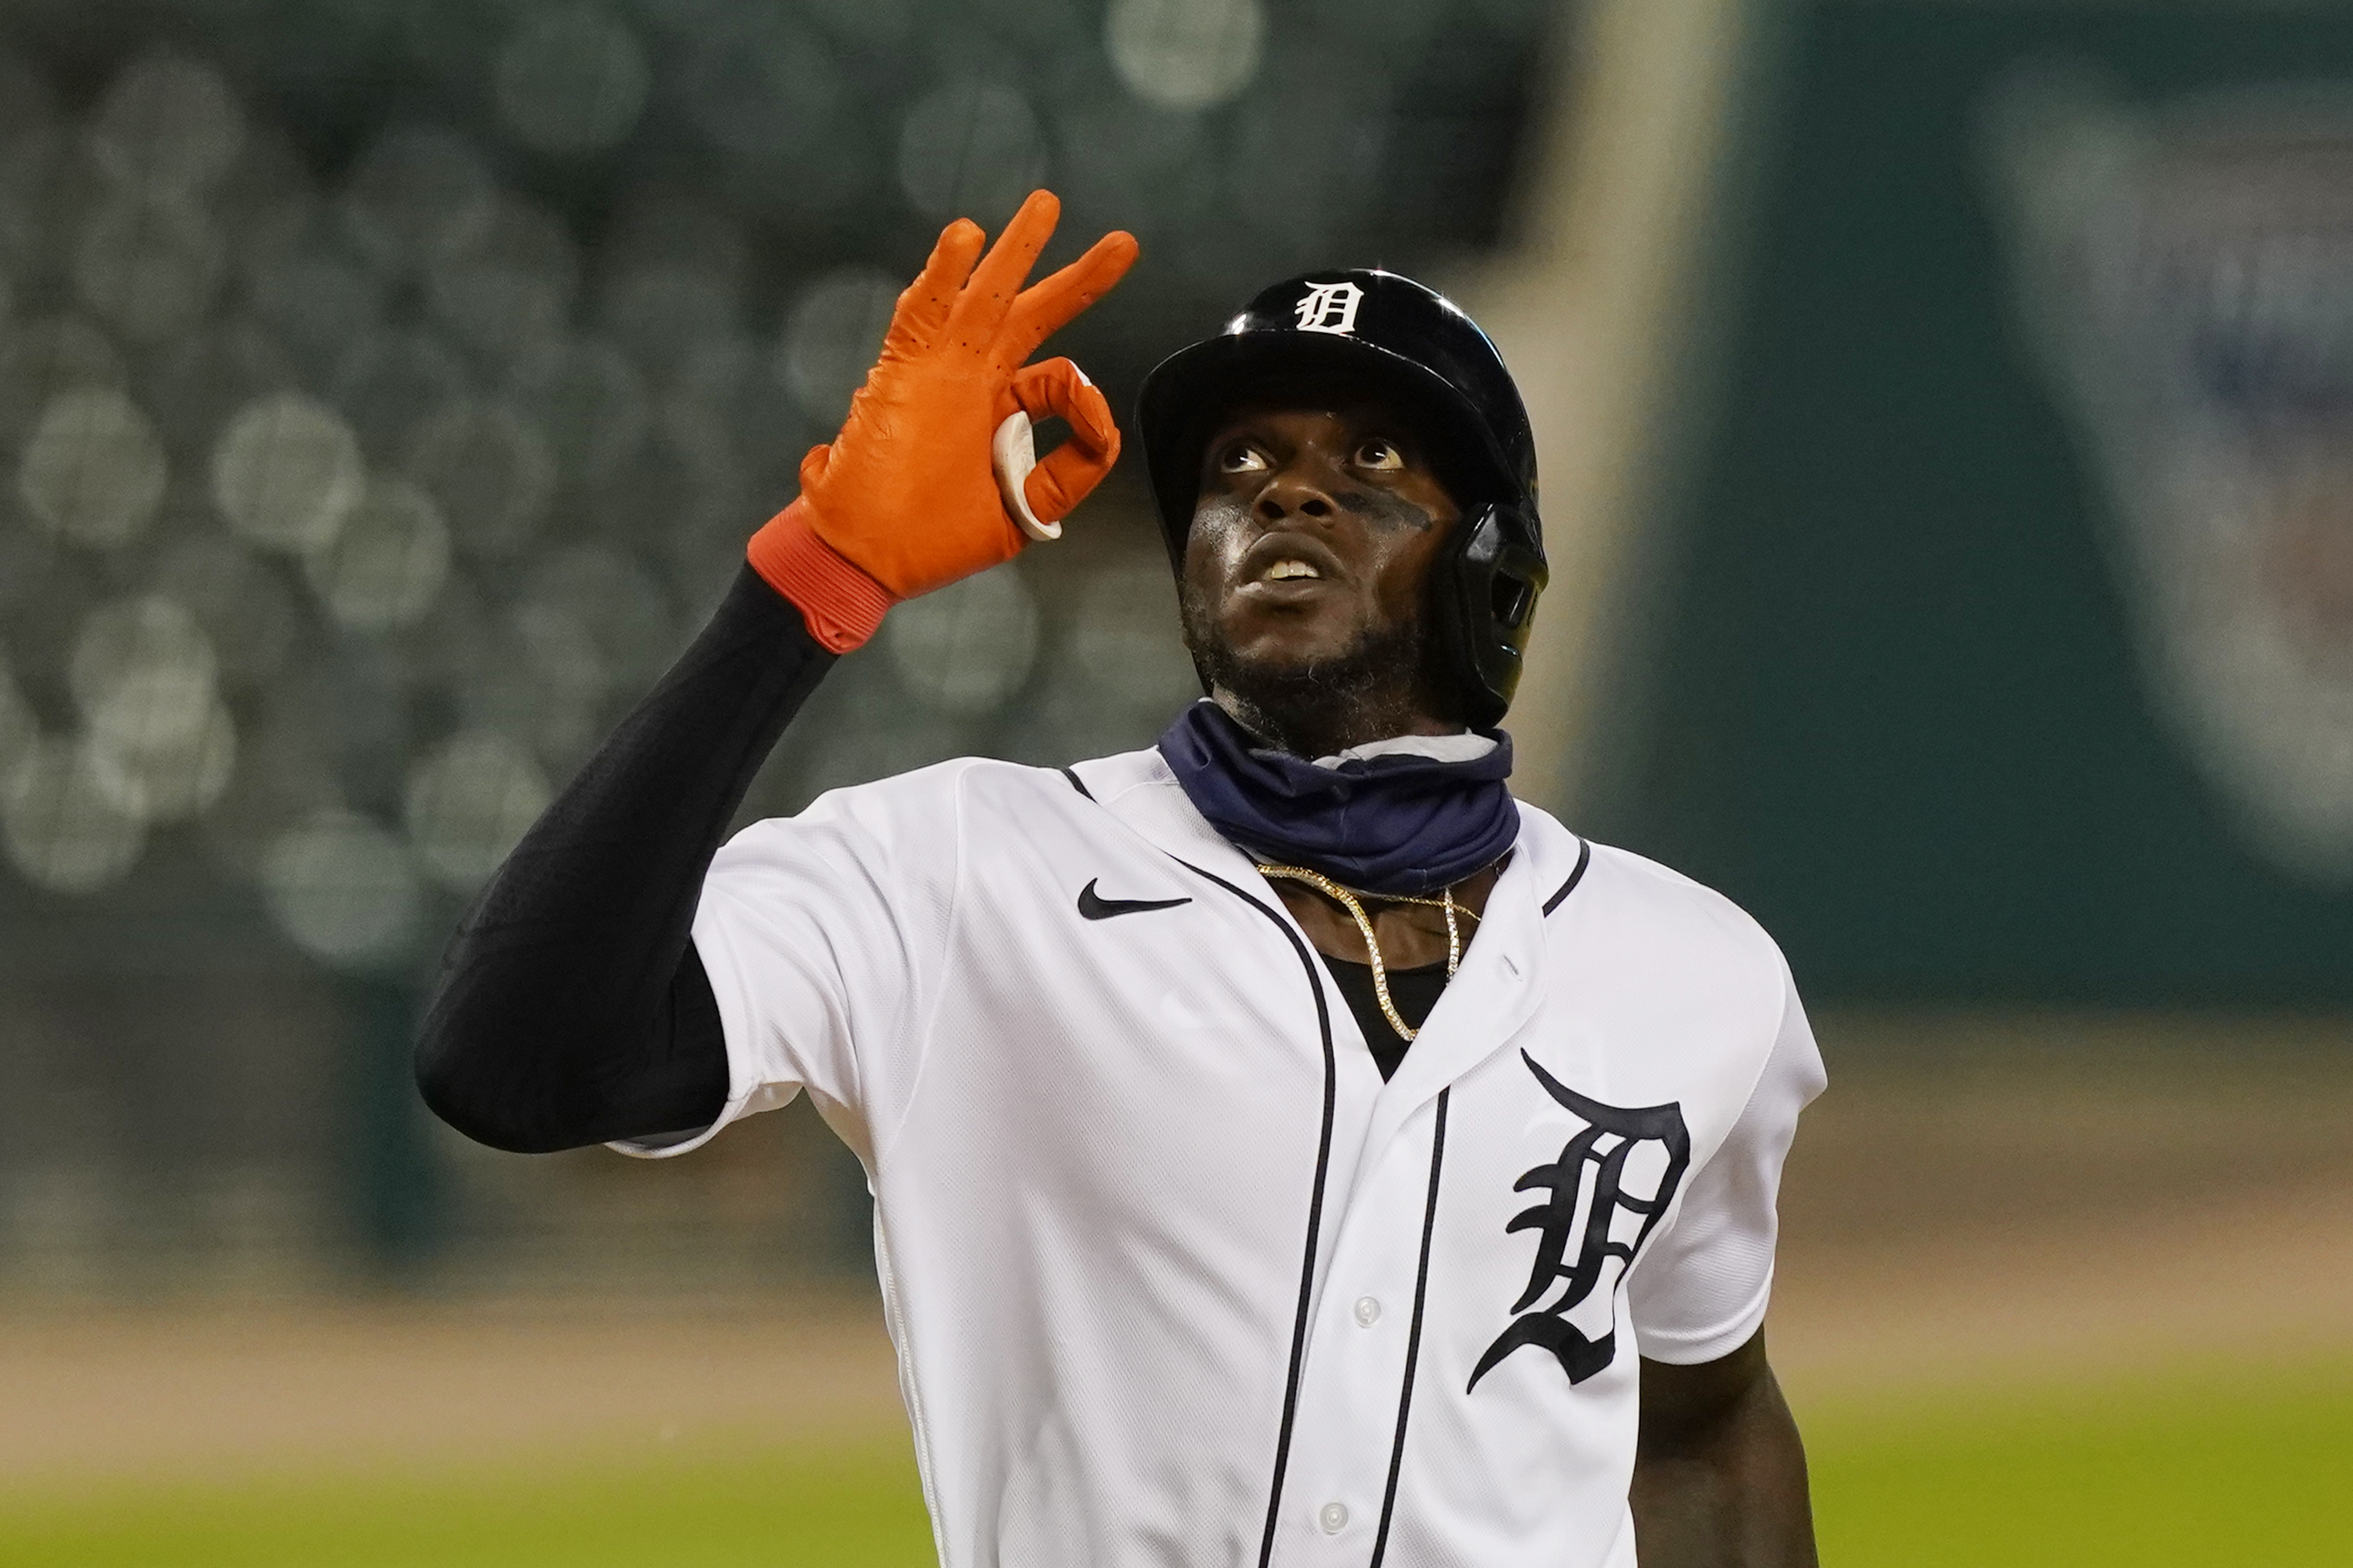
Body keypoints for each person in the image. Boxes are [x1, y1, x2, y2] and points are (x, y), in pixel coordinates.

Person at [417, 188, 1826, 1568]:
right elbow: (518, 1064)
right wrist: (818, 574)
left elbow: (1704, 1424)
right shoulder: (962, 874)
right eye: (1237, 464)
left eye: (1380, 457)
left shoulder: (1699, 978)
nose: (1288, 487)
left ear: (1494, 564)